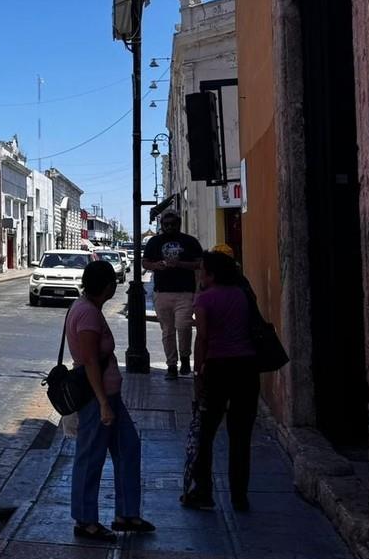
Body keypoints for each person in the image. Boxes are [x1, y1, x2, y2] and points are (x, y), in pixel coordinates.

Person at [67, 259, 153, 540]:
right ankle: (85, 520)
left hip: (109, 396)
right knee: (90, 456)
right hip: (97, 397)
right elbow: (90, 360)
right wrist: (103, 402)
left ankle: (127, 513)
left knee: (129, 447)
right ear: (108, 286)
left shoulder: (87, 308)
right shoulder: (88, 314)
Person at [187, 250, 259, 512]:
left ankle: (203, 491)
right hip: (247, 368)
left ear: (211, 274)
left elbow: (203, 338)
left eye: (202, 270)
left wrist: (197, 374)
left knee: (206, 433)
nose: (199, 274)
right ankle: (240, 496)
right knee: (240, 436)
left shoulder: (204, 300)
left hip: (218, 368)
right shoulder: (242, 294)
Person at [143, 210, 204, 380]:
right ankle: (171, 364)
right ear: (161, 225)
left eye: (173, 224)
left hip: (185, 292)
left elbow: (200, 263)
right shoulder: (154, 242)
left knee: (184, 326)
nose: (169, 227)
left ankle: (185, 357)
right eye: (166, 224)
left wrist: (180, 264)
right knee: (167, 331)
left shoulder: (190, 242)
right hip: (162, 293)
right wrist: (156, 266)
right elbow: (145, 262)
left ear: (179, 223)